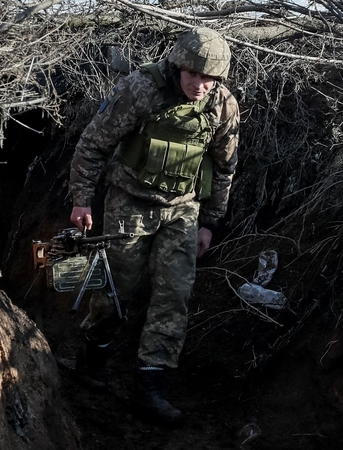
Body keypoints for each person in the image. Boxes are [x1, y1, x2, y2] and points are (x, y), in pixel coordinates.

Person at [67, 28, 239, 426]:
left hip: (182, 210)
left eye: (210, 78)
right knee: (116, 290)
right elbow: (93, 144)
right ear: (177, 66)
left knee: (174, 295)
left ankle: (151, 386)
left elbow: (226, 167)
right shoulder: (141, 89)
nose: (200, 85)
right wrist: (81, 199)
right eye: (193, 74)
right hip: (130, 202)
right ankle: (92, 358)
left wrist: (210, 223)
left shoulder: (223, 106)